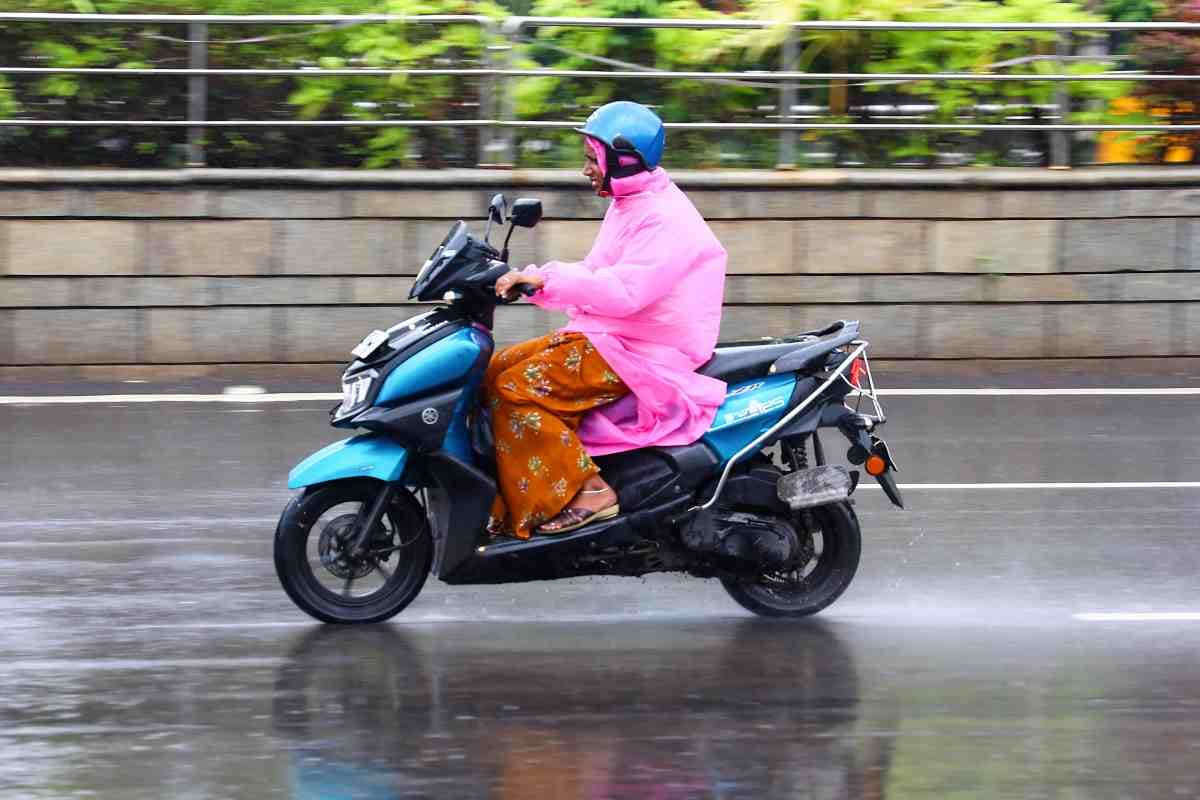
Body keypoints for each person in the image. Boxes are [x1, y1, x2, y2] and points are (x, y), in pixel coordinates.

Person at [487, 100, 727, 539]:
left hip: (642, 353)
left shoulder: (664, 218)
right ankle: (499, 497)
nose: (586, 170)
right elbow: (598, 271)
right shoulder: (632, 204)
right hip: (610, 338)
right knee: (491, 369)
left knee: (515, 387)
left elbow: (624, 291)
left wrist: (545, 281)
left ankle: (589, 491)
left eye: (590, 158)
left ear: (620, 158)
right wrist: (534, 278)